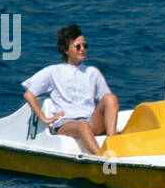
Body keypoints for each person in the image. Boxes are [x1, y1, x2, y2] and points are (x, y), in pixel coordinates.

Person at [21, 24, 118, 156]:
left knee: (111, 98)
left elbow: (106, 102)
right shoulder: (53, 71)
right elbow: (29, 94)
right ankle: (103, 158)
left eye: (85, 46)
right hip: (66, 124)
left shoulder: (92, 72)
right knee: (82, 126)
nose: (82, 49)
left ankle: (113, 145)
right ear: (66, 50)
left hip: (90, 121)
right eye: (78, 46)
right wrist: (44, 119)